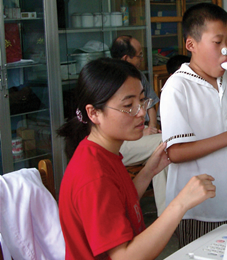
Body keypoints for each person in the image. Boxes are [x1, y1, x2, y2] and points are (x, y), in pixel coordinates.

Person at [57, 58, 216, 259]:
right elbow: (124, 256)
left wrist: (148, 171)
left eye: (142, 100)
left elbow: (119, 202)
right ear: (94, 113)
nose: (141, 112)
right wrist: (180, 204)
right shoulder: (93, 175)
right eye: (128, 105)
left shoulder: (101, 152)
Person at [160, 3, 227, 247]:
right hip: (199, 209)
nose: (226, 51)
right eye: (217, 42)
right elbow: (175, 152)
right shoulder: (178, 87)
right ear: (191, 45)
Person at [110, 35, 167, 216]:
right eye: (139, 55)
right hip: (120, 144)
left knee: (164, 147)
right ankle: (167, 214)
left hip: (137, 137)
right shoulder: (110, 80)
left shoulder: (138, 77)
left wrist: (151, 125)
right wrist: (144, 131)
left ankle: (169, 213)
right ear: (126, 59)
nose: (142, 59)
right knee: (164, 145)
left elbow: (149, 104)